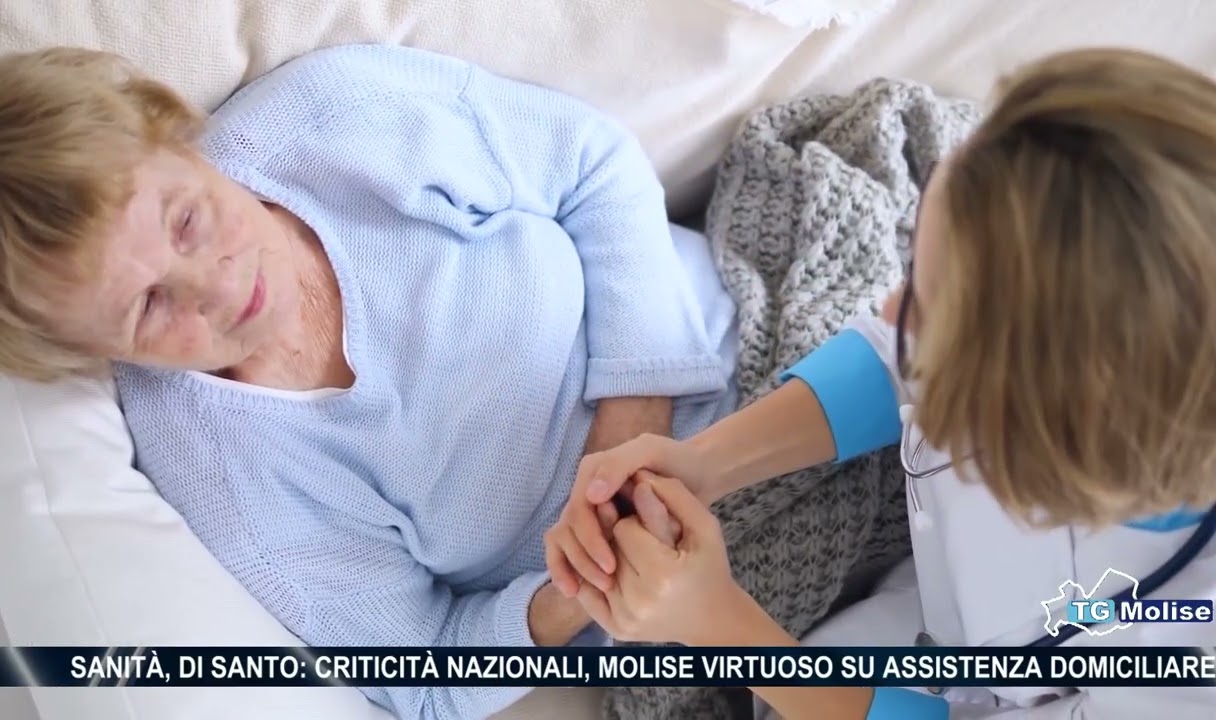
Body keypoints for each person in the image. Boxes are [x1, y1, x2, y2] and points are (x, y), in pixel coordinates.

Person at [545, 47, 1216, 718]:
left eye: (926, 305)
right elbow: (902, 357)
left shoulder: (1210, 673)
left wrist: (723, 629)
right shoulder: (1092, 318)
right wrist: (704, 463)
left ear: (1040, 428)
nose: (891, 309)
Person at [0, 44, 730, 718]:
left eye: (187, 220)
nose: (215, 289)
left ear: (171, 134)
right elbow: (429, 674)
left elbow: (593, 166)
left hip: (749, 330)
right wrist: (586, 580)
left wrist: (633, 431)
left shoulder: (337, 118)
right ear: (91, 352)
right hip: (680, 596)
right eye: (148, 307)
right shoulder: (229, 482)